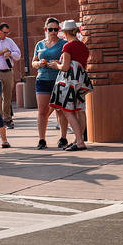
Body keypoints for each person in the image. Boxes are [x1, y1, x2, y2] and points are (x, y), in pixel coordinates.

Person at [48, 20, 90, 151]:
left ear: (65, 32)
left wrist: (56, 65)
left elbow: (65, 67)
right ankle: (78, 139)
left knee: (67, 110)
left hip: (69, 81)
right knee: (80, 110)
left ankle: (80, 141)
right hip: (81, 81)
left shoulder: (68, 46)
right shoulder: (83, 46)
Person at [31, 17, 67, 150]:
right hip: (42, 79)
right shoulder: (40, 44)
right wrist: (39, 63)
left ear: (59, 30)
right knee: (42, 111)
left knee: (60, 110)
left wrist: (58, 64)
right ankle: (42, 140)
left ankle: (63, 138)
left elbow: (67, 62)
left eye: (56, 29)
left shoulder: (63, 43)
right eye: (50, 29)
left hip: (59, 78)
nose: (53, 32)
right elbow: (33, 62)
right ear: (46, 29)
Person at [0, 23, 21, 128]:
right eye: (4, 32)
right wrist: (1, 52)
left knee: (7, 96)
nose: (6, 35)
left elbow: (18, 55)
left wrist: (10, 53)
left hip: (8, 71)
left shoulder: (10, 41)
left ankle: (7, 118)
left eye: (7, 32)